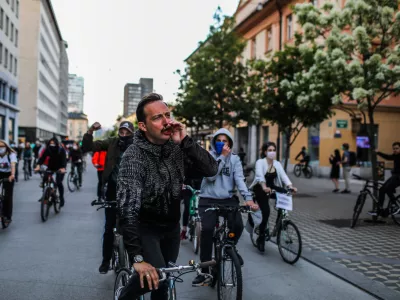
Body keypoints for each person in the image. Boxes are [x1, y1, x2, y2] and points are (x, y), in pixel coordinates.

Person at [116, 93, 218, 300]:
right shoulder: (134, 156)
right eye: (157, 118)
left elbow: (211, 169)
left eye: (168, 115)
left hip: (170, 229)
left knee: (164, 283)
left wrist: (185, 141)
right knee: (156, 276)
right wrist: (136, 257)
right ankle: (123, 296)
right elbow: (127, 209)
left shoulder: (176, 149)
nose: (166, 122)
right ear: (143, 126)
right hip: (145, 228)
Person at [192, 128, 258, 286]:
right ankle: (205, 271)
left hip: (228, 198)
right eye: (219, 141)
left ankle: (231, 248)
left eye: (225, 141)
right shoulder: (207, 156)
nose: (222, 143)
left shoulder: (235, 159)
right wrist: (222, 157)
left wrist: (248, 198)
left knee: (237, 225)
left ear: (230, 143)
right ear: (214, 142)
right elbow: (211, 175)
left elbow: (240, 180)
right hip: (207, 198)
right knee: (207, 229)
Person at [82, 120, 135, 274]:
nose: (124, 134)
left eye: (127, 132)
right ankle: (106, 261)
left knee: (134, 227)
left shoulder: (138, 146)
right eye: (122, 132)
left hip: (132, 190)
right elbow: (88, 147)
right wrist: (91, 130)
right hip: (112, 189)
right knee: (109, 227)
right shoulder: (112, 143)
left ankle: (135, 259)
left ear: (132, 133)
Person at [250, 142, 297, 253]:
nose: (272, 152)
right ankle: (261, 238)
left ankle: (279, 224)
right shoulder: (260, 162)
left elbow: (283, 176)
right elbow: (259, 175)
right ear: (265, 152)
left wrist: (290, 186)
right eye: (269, 150)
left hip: (271, 187)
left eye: (273, 150)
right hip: (260, 188)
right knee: (266, 212)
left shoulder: (277, 164)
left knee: (285, 194)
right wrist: (264, 186)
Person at [368, 142, 400, 216]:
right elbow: (388, 157)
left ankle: (395, 206)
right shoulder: (396, 155)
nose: (395, 150)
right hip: (394, 176)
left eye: (397, 148)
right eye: (394, 149)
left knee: (388, 189)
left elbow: (388, 157)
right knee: (382, 189)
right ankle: (379, 209)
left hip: (398, 177)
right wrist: (378, 152)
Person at [34, 138, 67, 206]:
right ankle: (46, 194)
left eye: (53, 143)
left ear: (57, 143)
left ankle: (61, 198)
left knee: (58, 182)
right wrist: (38, 166)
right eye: (50, 143)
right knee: (45, 178)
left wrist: (63, 168)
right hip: (51, 167)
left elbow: (64, 160)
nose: (52, 145)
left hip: (60, 168)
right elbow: (42, 158)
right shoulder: (48, 149)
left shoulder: (61, 149)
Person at [180, 173, 203, 240]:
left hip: (201, 184)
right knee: (187, 207)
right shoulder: (189, 164)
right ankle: (184, 230)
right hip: (188, 185)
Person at [0, 140, 17, 226]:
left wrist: (12, 175)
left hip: (9, 174)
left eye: (2, 146)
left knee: (7, 196)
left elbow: (13, 165)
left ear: (6, 147)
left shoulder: (11, 154)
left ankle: (7, 216)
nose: (1, 148)